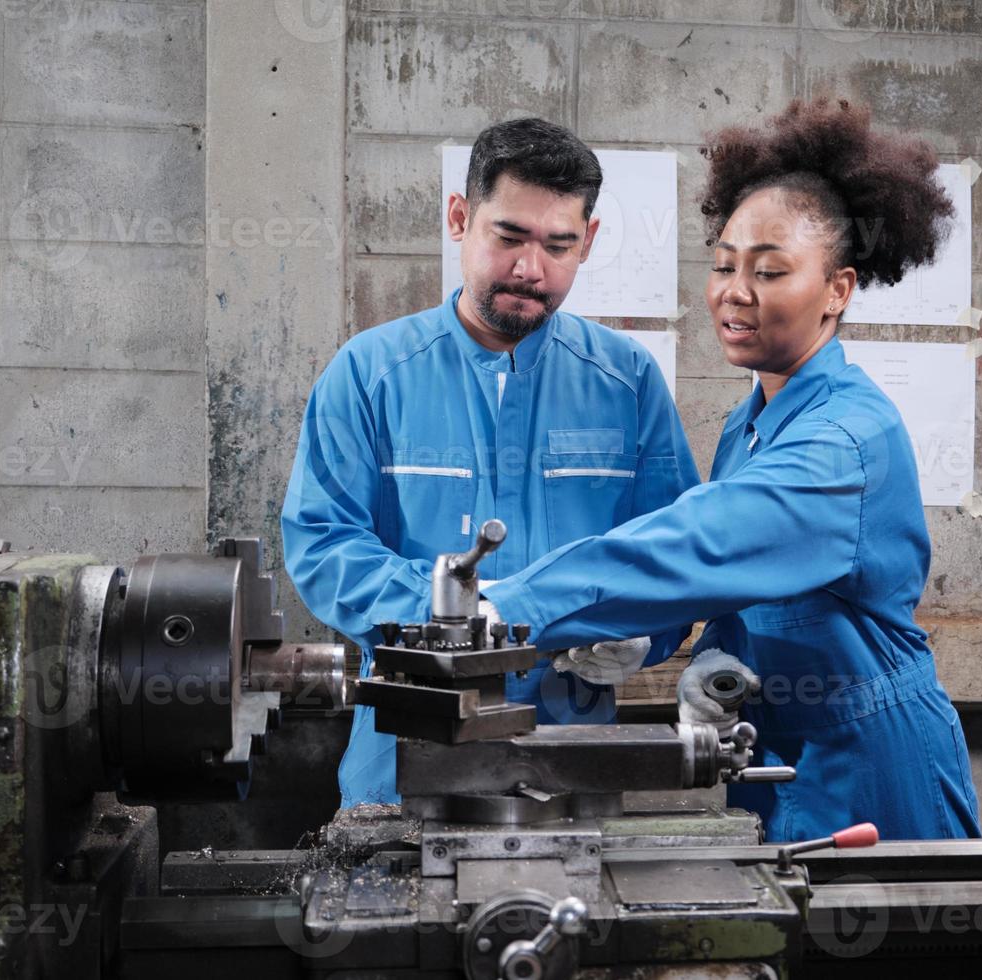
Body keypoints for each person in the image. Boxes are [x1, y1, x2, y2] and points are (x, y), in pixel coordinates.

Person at [483, 98, 981, 842]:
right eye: (723, 265)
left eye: (771, 271)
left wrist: (500, 608)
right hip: (785, 762)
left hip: (878, 768)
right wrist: (717, 662)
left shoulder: (844, 441)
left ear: (838, 290)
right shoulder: (750, 425)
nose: (735, 292)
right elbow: (741, 591)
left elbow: (702, 542)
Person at [282, 118, 700, 808]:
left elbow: (673, 551)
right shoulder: (369, 375)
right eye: (508, 237)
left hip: (574, 759)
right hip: (405, 754)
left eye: (558, 245)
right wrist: (455, 623)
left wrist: (646, 636)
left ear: (588, 242)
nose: (530, 269)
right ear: (459, 218)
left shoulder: (627, 383)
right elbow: (325, 547)